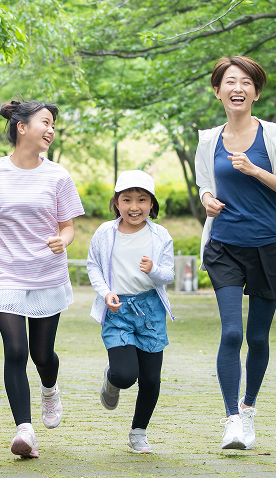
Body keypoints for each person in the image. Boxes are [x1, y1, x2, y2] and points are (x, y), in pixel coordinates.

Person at [195, 56, 276, 450]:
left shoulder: (275, 136)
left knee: (257, 338)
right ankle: (231, 421)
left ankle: (248, 409)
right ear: (217, 91)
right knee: (232, 332)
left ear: (256, 93)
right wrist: (207, 199)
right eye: (230, 81)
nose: (237, 88)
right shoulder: (208, 140)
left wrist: (256, 170)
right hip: (224, 245)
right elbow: (205, 184)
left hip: (268, 246)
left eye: (246, 82)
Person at [0, 100, 84, 458]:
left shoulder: (58, 176)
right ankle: (25, 430)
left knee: (42, 355)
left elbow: (68, 227)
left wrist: (62, 241)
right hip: (5, 272)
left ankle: (50, 389)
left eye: (53, 125)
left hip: (46, 273)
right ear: (22, 127)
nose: (51, 130)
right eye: (45, 122)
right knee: (16, 351)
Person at [86, 170, 175, 454]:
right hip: (118, 310)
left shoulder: (160, 235)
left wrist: (154, 270)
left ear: (152, 204)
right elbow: (93, 266)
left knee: (150, 379)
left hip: (150, 311)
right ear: (116, 202)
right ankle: (112, 378)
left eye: (142, 200)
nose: (134, 207)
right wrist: (105, 293)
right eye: (127, 200)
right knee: (126, 375)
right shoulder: (105, 233)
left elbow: (169, 274)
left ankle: (138, 432)